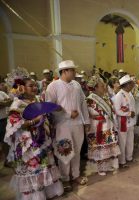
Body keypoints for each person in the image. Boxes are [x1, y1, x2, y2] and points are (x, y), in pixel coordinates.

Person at [5, 73, 63, 199]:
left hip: (42, 139)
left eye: (35, 86)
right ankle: (34, 195)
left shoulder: (37, 100)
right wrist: (35, 120)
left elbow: (45, 116)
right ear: (22, 88)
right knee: (33, 167)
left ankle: (47, 191)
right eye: (31, 86)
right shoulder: (17, 104)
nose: (35, 88)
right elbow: (15, 125)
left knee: (45, 165)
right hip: (28, 142)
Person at [46, 60, 90, 190]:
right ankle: (65, 178)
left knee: (76, 150)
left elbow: (83, 103)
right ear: (64, 71)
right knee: (64, 150)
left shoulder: (76, 84)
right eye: (72, 70)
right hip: (62, 125)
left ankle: (75, 175)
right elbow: (49, 107)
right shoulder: (53, 86)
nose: (75, 73)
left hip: (77, 124)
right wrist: (67, 114)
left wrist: (86, 121)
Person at [86, 76, 120, 176]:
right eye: (102, 86)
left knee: (108, 145)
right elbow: (88, 113)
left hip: (108, 125)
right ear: (95, 87)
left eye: (104, 86)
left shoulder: (106, 98)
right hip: (97, 127)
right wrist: (95, 116)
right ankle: (99, 168)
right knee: (99, 147)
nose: (104, 88)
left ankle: (108, 165)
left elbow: (112, 111)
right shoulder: (89, 100)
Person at [113, 75, 136, 168]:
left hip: (131, 122)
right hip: (123, 122)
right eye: (131, 83)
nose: (132, 85)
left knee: (130, 141)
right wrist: (129, 114)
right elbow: (117, 110)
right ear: (126, 85)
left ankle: (129, 157)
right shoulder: (119, 95)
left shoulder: (129, 94)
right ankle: (122, 161)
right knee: (123, 142)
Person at [0, 81, 13, 167]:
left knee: (5, 141)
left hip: (3, 120)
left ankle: (7, 160)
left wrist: (3, 103)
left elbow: (11, 100)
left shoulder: (1, 93)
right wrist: (4, 103)